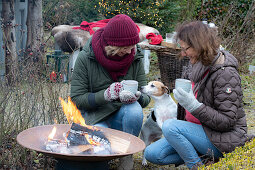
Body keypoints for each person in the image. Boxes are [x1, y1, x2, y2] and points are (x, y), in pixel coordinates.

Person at [144, 21, 252, 169]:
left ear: (199, 45)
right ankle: (204, 154)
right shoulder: (194, 64)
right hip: (195, 132)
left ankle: (196, 166)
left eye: (185, 49)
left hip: (223, 138)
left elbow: (227, 121)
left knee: (170, 126)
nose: (183, 53)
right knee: (152, 154)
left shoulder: (226, 73)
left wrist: (194, 106)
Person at [70, 14, 150, 170]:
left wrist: (138, 97)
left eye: (132, 46)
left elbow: (145, 96)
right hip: (95, 117)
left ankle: (127, 155)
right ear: (112, 45)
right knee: (98, 151)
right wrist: (105, 95)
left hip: (122, 117)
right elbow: (77, 98)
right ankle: (102, 158)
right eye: (125, 48)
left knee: (134, 110)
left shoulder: (135, 55)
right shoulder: (86, 57)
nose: (129, 52)